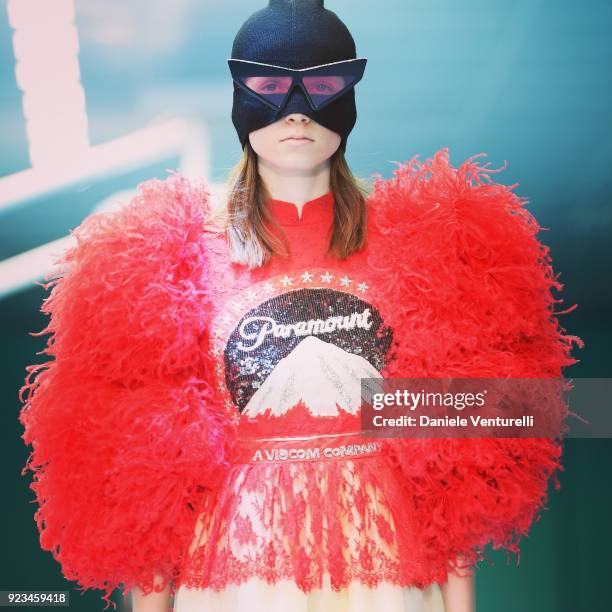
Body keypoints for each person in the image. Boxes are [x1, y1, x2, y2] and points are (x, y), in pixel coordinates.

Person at [18, 2, 582, 612]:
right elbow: (145, 473)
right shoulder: (169, 261)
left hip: (384, 564)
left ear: (349, 94)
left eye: (320, 86)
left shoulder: (425, 249)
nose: (295, 111)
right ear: (239, 94)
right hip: (236, 572)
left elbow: (450, 465)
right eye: (267, 85)